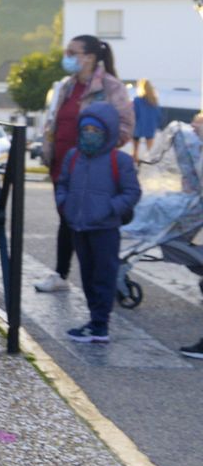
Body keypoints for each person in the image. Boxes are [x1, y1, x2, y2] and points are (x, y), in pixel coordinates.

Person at [36, 35, 134, 294]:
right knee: (66, 218)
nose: (66, 56)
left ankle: (98, 281)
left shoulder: (111, 87)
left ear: (89, 57)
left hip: (91, 168)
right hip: (62, 165)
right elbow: (55, 121)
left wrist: (99, 151)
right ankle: (65, 275)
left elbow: (125, 126)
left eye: (72, 52)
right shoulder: (67, 86)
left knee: (84, 224)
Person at [54, 102, 141, 343]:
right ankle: (94, 320)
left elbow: (132, 192)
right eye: (86, 130)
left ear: (108, 133)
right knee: (87, 275)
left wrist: (109, 209)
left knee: (104, 275)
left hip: (105, 229)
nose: (90, 135)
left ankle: (100, 324)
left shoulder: (119, 161)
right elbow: (62, 183)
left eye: (96, 131)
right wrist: (65, 205)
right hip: (78, 227)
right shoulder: (73, 157)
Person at [132, 79, 162, 163]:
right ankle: (149, 160)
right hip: (150, 126)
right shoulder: (154, 100)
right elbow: (158, 114)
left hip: (138, 126)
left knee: (135, 144)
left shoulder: (137, 100)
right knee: (150, 148)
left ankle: (135, 159)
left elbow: (134, 113)